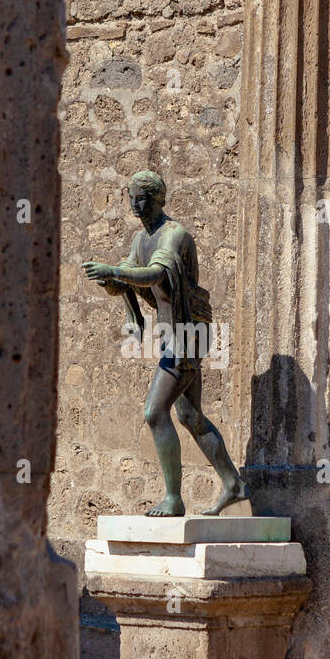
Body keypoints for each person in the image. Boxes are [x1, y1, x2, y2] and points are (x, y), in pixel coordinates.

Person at [82, 170, 248, 517]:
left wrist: (115, 272)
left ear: (158, 199)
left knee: (154, 412)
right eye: (131, 197)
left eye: (141, 198)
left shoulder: (174, 235)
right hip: (173, 334)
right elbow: (128, 279)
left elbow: (155, 274)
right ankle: (233, 484)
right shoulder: (141, 240)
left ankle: (174, 498)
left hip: (188, 334)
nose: (134, 204)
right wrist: (110, 280)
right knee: (189, 415)